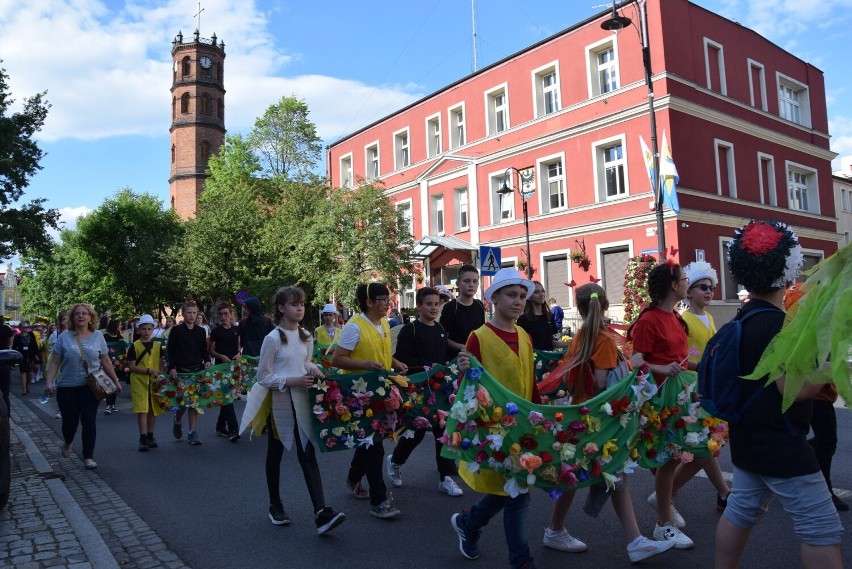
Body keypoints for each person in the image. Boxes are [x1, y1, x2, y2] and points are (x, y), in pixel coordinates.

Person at [714, 220, 843, 569]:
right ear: (789, 269)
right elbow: (794, 390)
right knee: (820, 528)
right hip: (782, 443)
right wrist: (832, 367)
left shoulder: (739, 321)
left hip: (747, 437)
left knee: (741, 510)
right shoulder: (782, 325)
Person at [544, 283, 674, 562]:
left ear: (579, 307)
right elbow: (602, 383)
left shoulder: (579, 337)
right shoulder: (602, 339)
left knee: (588, 474)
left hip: (580, 412)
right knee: (610, 474)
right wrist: (632, 364)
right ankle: (632, 540)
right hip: (599, 417)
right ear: (604, 306)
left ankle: (560, 530)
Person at [450, 268, 539, 569]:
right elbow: (467, 383)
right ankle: (520, 559)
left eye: (522, 296)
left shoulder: (524, 336)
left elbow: (530, 379)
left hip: (523, 425)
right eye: (511, 295)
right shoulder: (479, 336)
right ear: (494, 298)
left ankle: (468, 522)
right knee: (516, 493)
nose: (518, 301)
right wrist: (463, 366)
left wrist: (539, 414)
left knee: (512, 490)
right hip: (494, 428)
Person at [240, 286, 346, 534]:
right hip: (280, 404)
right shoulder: (273, 338)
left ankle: (321, 512)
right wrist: (291, 381)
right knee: (275, 453)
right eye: (294, 304)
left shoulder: (307, 336)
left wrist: (312, 369)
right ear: (280, 308)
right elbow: (262, 376)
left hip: (302, 400)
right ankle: (275, 504)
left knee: (307, 452)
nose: (300, 308)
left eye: (302, 304)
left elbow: (304, 361)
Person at [626, 261, 710, 549]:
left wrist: (707, 366)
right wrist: (660, 369)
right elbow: (635, 363)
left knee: (703, 449)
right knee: (668, 459)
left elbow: (682, 359)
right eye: (685, 279)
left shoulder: (675, 317)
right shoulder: (648, 320)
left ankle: (664, 502)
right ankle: (664, 523)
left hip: (684, 397)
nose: (688, 283)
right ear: (674, 286)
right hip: (660, 400)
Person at [332, 282, 408, 520]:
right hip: (358, 395)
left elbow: (383, 352)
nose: (388, 303)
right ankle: (379, 500)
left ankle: (354, 477)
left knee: (369, 442)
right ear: (369, 302)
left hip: (380, 392)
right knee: (374, 445)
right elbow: (337, 359)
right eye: (383, 299)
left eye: (388, 298)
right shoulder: (354, 327)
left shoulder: (384, 323)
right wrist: (365, 365)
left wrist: (395, 363)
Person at [385, 286, 463, 497]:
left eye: (436, 304)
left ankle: (445, 477)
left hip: (439, 389)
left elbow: (444, 355)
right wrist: (426, 365)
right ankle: (396, 461)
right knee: (416, 433)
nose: (433, 308)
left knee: (443, 430)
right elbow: (402, 359)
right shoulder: (410, 330)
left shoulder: (440, 329)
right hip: (417, 389)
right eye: (429, 304)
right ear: (419, 306)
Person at [678, 260, 732, 511]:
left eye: (711, 287)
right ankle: (666, 491)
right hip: (691, 390)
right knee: (703, 445)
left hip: (708, 386)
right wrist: (701, 368)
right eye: (702, 287)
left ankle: (723, 493)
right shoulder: (684, 319)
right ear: (688, 292)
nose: (708, 292)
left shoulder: (709, 316)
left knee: (708, 444)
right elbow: (678, 358)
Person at [44, 303, 122, 469]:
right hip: (67, 386)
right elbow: (55, 361)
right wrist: (49, 382)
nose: (81, 316)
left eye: (84, 314)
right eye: (77, 314)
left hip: (90, 386)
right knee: (69, 423)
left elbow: (106, 361)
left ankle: (88, 456)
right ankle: (68, 441)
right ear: (72, 318)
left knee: (89, 420)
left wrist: (115, 381)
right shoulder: (65, 337)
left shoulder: (97, 337)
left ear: (90, 318)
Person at [167, 301, 211, 445]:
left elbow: (203, 350)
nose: (192, 316)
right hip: (181, 372)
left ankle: (192, 432)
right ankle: (177, 419)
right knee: (182, 404)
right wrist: (171, 367)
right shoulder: (176, 331)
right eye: (189, 313)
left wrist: (207, 360)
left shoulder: (201, 331)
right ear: (183, 313)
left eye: (194, 313)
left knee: (194, 403)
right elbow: (170, 351)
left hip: (196, 371)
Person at [127, 314, 164, 451]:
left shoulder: (158, 345)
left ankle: (150, 435)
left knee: (153, 409)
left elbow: (161, 363)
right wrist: (148, 371)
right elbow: (131, 367)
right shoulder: (134, 346)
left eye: (149, 329)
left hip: (154, 381)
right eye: (143, 329)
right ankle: (142, 437)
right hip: (139, 381)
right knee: (142, 410)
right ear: (139, 330)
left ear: (153, 329)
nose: (146, 331)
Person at [209, 302, 241, 441]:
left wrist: (239, 354)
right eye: (221, 314)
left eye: (226, 314)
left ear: (231, 314)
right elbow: (210, 350)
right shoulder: (216, 331)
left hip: (233, 368)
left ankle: (220, 426)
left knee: (227, 397)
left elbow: (239, 347)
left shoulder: (236, 330)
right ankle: (234, 429)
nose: (223, 317)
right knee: (227, 397)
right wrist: (220, 356)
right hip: (220, 368)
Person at [440, 264, 485, 362]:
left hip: (476, 358)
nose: (471, 284)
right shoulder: (451, 307)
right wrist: (464, 347)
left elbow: (482, 333)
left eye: (475, 281)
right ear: (458, 283)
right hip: (456, 360)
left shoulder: (479, 305)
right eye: (466, 281)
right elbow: (443, 338)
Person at [516, 282, 568, 351]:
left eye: (542, 291)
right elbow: (522, 345)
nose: (541, 294)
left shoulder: (549, 316)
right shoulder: (523, 320)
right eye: (536, 292)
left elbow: (551, 343)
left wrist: (570, 343)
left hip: (550, 359)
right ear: (529, 297)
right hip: (534, 359)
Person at [101, 320, 125, 415]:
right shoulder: (105, 337)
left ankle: (113, 405)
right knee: (108, 384)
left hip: (117, 365)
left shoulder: (120, 337)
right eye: (119, 325)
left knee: (115, 384)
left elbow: (125, 346)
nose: (121, 326)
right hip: (107, 364)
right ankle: (108, 405)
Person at [13, 323, 40, 395]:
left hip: (30, 355)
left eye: (27, 327)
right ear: (20, 328)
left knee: (30, 373)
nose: (25, 329)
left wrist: (36, 354)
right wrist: (15, 356)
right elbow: (14, 347)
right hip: (21, 356)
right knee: (23, 372)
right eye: (24, 327)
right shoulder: (17, 336)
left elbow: (35, 345)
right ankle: (24, 389)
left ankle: (27, 385)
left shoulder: (31, 335)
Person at [0, 315, 15, 415]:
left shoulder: (6, 329)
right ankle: (7, 415)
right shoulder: (6, 329)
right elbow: (10, 342)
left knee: (5, 393)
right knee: (5, 393)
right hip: (4, 360)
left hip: (4, 362)